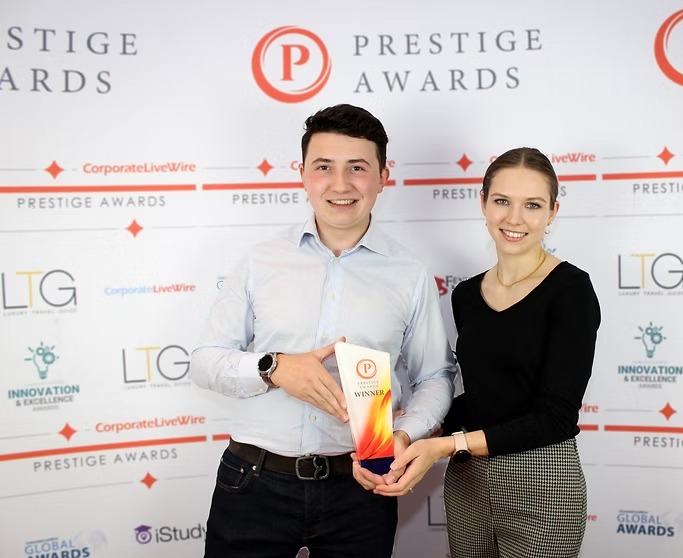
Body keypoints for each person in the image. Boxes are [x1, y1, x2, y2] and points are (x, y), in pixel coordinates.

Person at [190, 104, 456, 558]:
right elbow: (204, 361)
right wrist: (274, 368)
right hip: (253, 483)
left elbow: (435, 376)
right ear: (302, 174)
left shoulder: (410, 274)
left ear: (383, 176)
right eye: (324, 167)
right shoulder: (260, 261)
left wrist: (405, 435)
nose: (340, 184)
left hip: (361, 487)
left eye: (357, 168)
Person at [373, 147, 600, 558]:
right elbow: (485, 397)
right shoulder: (466, 295)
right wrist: (412, 428)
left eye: (532, 205)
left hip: (543, 483)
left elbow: (555, 417)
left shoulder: (571, 290)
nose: (514, 218)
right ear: (483, 203)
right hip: (468, 484)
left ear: (553, 212)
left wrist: (446, 445)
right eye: (502, 201)